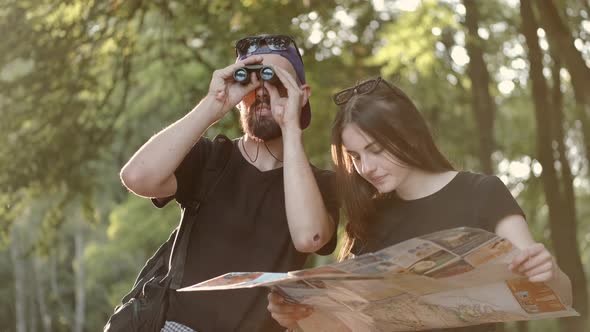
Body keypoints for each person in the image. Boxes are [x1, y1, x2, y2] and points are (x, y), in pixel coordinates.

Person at [267, 77, 573, 332]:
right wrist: (299, 318)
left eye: (376, 149)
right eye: (356, 157)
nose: (367, 167)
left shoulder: (482, 192)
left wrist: (549, 272)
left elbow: (554, 292)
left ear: (409, 136)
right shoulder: (370, 216)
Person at [119, 34, 339, 332]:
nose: (263, 92)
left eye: (277, 80)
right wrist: (213, 104)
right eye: (250, 79)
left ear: (302, 94)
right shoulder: (211, 158)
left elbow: (310, 238)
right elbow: (137, 177)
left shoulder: (319, 186)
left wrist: (290, 127)